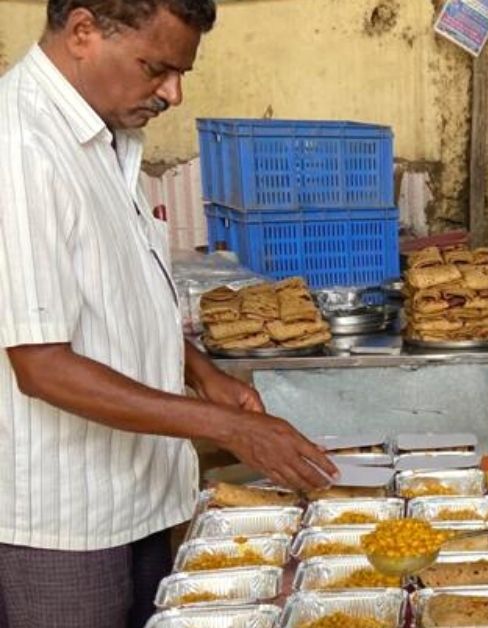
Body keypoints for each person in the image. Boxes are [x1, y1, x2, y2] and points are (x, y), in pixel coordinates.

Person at [0, 2, 337, 626]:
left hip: (138, 498)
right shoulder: (19, 147)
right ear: (83, 32)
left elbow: (118, 294)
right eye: (156, 68)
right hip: (64, 525)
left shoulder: (106, 139)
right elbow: (42, 365)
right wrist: (225, 428)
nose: (174, 94)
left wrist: (202, 371)